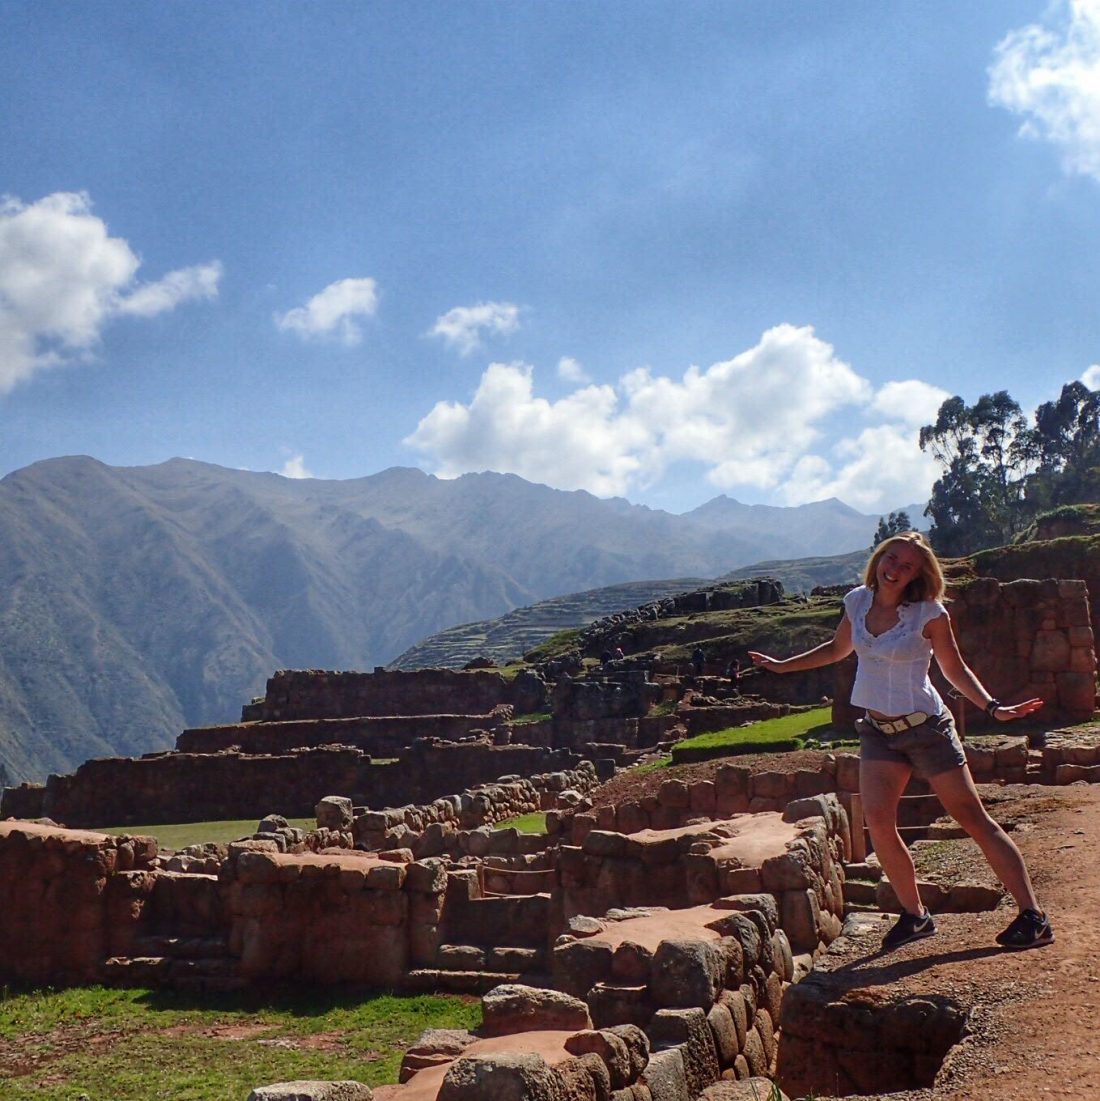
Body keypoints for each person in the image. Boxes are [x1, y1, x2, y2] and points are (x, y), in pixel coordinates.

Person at [748, 531, 1053, 952]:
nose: (894, 569)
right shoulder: (857, 601)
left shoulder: (929, 614)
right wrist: (784, 667)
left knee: (972, 818)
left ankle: (1033, 916)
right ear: (879, 559)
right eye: (890, 559)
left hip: (926, 729)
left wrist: (993, 707)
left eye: (906, 565)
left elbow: (954, 669)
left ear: (917, 574)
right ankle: (915, 916)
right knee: (878, 823)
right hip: (877, 732)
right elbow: (838, 649)